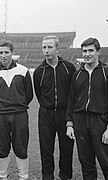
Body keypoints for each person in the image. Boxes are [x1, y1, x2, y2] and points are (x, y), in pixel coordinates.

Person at [66, 38, 108, 180]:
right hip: (80, 121)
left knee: (107, 163)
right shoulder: (77, 75)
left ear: (98, 52)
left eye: (91, 50)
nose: (87, 54)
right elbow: (71, 101)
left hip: (100, 121)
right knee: (86, 163)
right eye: (84, 51)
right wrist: (70, 124)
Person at [0, 39, 33, 180]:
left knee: (21, 147)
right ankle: (3, 176)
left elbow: (29, 95)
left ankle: (23, 176)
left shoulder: (23, 71)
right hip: (0, 116)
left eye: (6, 52)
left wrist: (17, 105)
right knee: (2, 148)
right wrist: (2, 107)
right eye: (1, 52)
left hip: (19, 115)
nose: (3, 55)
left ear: (12, 53)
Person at [33, 35, 76, 180]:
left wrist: (69, 115)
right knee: (46, 150)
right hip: (46, 114)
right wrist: (48, 106)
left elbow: (73, 93)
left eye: (50, 47)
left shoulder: (69, 68)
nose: (46, 50)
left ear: (57, 49)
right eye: (44, 47)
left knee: (66, 149)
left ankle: (65, 176)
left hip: (65, 114)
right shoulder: (39, 71)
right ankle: (48, 177)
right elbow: (39, 94)